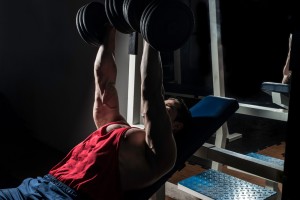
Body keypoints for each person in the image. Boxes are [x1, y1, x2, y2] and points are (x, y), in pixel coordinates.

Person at [0, 25, 192, 200]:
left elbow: (151, 94)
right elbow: (103, 83)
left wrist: (151, 33)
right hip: (37, 185)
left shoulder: (162, 156)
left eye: (167, 107)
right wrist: (109, 28)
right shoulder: (115, 123)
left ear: (177, 125)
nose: (160, 107)